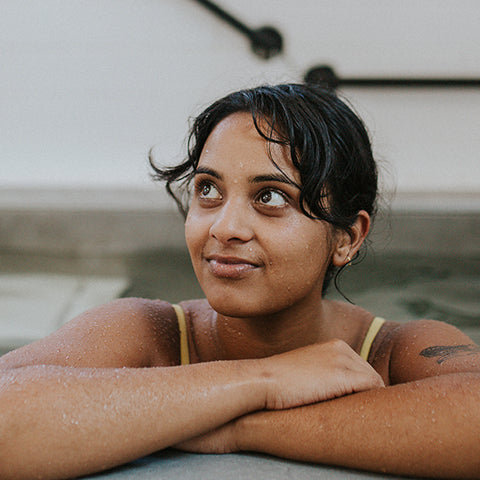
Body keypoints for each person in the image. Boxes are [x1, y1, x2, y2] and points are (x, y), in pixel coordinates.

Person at [1, 84, 479, 480]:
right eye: (208, 190)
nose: (224, 227)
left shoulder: (392, 352)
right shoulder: (149, 333)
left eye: (270, 196)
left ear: (347, 238)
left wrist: (236, 427)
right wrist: (265, 379)